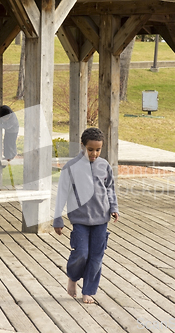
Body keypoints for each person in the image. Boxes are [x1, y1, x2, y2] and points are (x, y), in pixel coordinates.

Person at [53, 127, 119, 304]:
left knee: (96, 257)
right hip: (80, 219)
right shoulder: (71, 167)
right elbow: (61, 193)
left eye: (98, 150)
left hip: (101, 219)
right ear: (83, 146)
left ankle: (88, 291)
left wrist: (114, 207)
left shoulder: (104, 165)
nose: (94, 153)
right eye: (91, 149)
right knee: (81, 253)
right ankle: (73, 278)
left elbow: (110, 188)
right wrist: (57, 217)